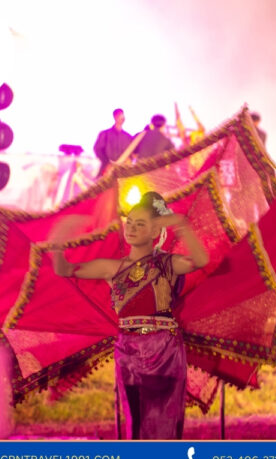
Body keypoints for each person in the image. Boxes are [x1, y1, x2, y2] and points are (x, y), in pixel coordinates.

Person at [48, 191, 209, 439]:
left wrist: (181, 224)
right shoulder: (112, 268)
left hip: (164, 350)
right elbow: (64, 270)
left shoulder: (168, 264)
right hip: (129, 351)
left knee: (165, 422)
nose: (131, 228)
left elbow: (201, 259)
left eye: (140, 224)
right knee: (136, 421)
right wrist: (58, 242)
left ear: (155, 232)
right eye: (130, 223)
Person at [93, 109, 133, 177]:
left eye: (123, 116)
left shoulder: (128, 137)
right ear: (115, 117)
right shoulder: (105, 134)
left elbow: (131, 153)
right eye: (120, 116)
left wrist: (129, 159)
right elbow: (97, 149)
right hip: (107, 171)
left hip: (123, 171)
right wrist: (107, 162)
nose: (122, 118)